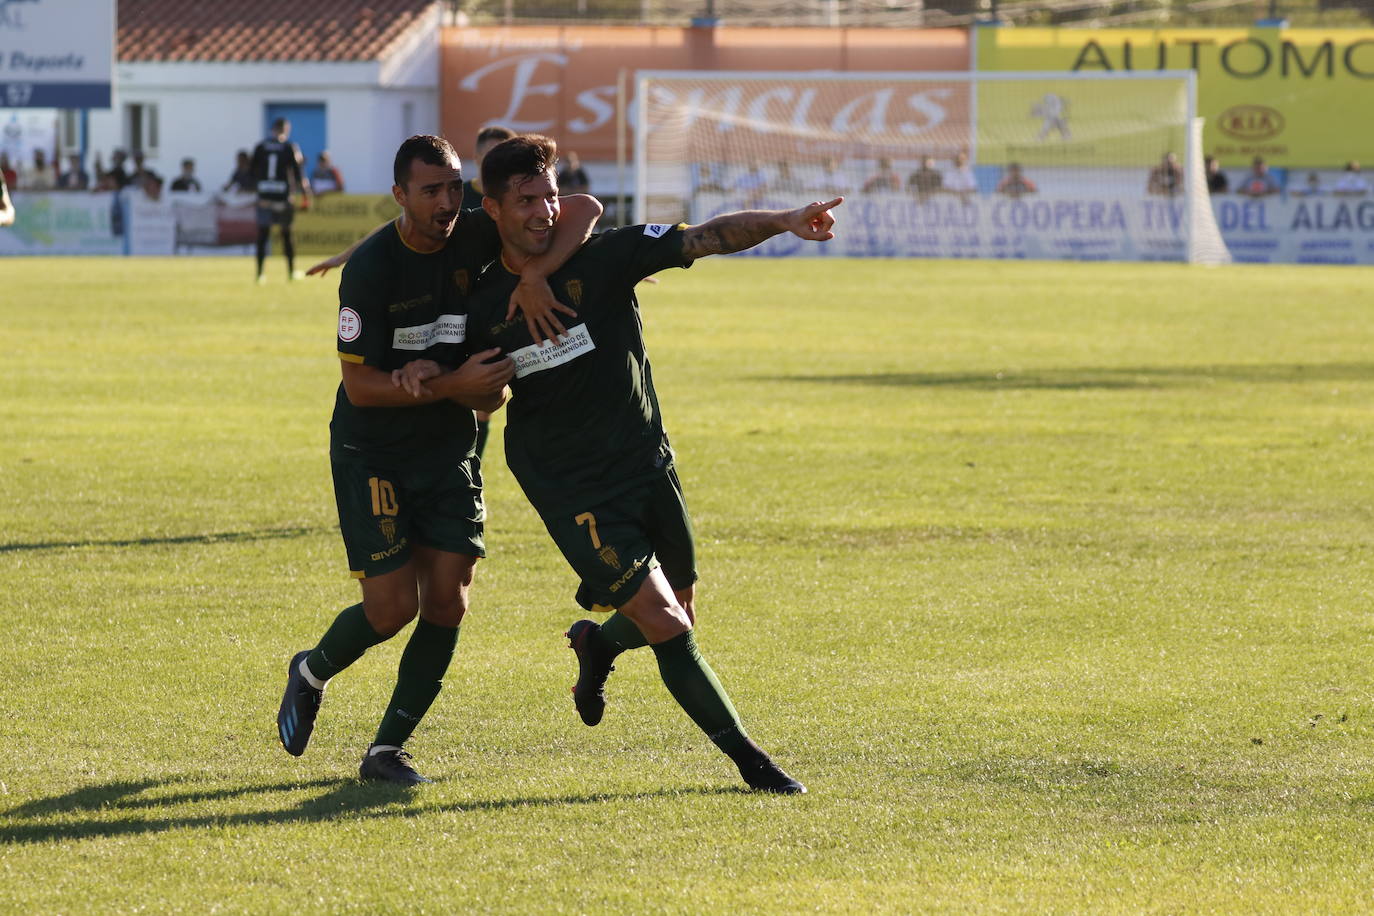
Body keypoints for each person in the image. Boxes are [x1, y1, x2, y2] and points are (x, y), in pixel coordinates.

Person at [401, 134, 840, 794]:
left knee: (678, 612)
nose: (543, 212)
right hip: (568, 482)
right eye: (525, 201)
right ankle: (755, 766)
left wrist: (783, 221)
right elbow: (465, 381)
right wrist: (447, 374)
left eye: (549, 196)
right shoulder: (483, 300)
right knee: (665, 622)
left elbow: (706, 237)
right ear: (491, 208)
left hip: (645, 459)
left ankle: (599, 645)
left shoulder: (604, 258)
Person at [275, 135, 602, 786]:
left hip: (448, 445)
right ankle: (309, 672)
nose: (447, 201)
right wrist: (454, 384)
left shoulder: (474, 234)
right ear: (400, 196)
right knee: (391, 609)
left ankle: (386, 751)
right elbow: (360, 386)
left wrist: (535, 274)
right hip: (373, 450)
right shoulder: (370, 270)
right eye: (431, 190)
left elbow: (586, 206)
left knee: (448, 602)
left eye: (454, 186)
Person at [250, 118, 312, 283]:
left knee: (263, 235)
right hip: (283, 197)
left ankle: (260, 274)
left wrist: (259, 191)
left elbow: (251, 172)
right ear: (286, 129)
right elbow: (299, 173)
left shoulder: (260, 147)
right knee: (286, 234)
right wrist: (306, 194)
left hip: (264, 196)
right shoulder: (290, 147)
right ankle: (291, 272)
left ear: (272, 129)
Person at [460, 125, 515, 210]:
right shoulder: (458, 197)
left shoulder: (519, 198)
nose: (499, 162)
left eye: (506, 156)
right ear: (476, 157)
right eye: (491, 155)